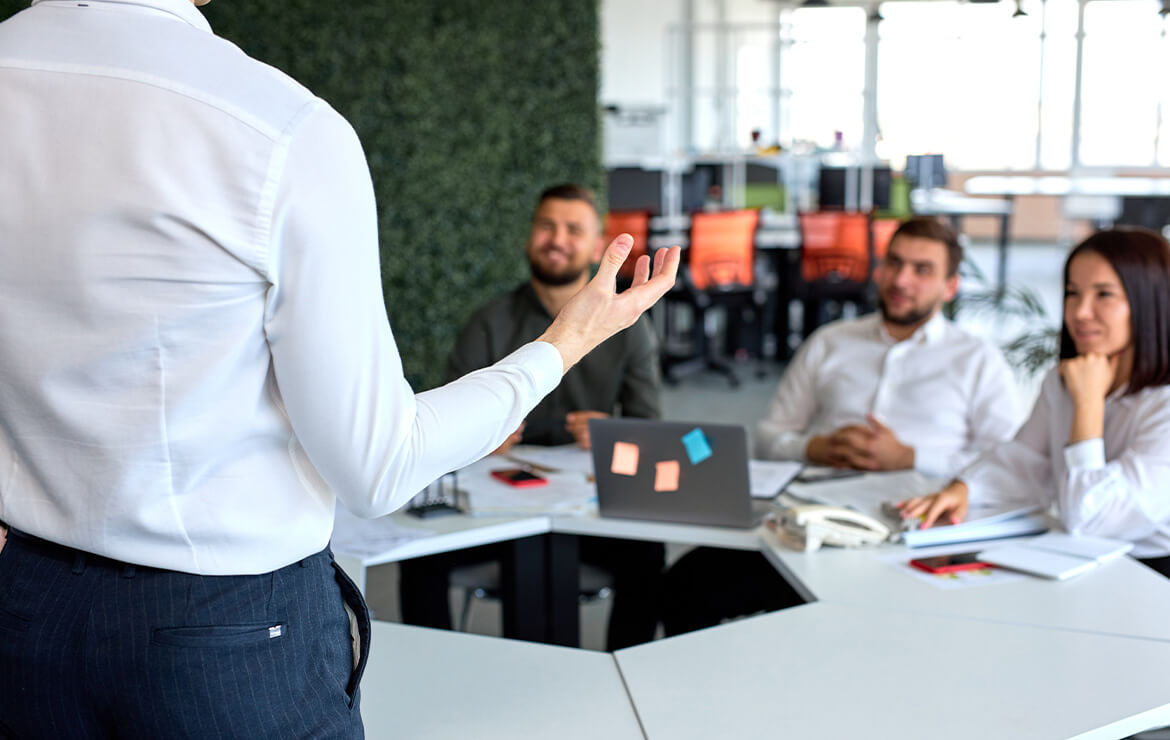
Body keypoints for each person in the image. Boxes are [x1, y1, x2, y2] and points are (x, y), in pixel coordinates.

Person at [0, 2, 680, 737]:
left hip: (23, 606)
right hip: (220, 635)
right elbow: (379, 466)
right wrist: (567, 342)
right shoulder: (277, 129)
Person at [661, 216, 1020, 637]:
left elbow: (1006, 465)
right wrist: (814, 448)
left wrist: (910, 457)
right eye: (894, 263)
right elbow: (769, 437)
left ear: (950, 286)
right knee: (682, 586)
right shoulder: (830, 342)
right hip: (813, 528)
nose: (901, 280)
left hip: (912, 541)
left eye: (922, 270)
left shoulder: (978, 360)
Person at [399, 184, 666, 650]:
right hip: (494, 499)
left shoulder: (629, 327)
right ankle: (436, 672)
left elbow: (652, 433)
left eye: (573, 229)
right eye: (547, 226)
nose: (557, 239)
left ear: (597, 246)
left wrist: (611, 434)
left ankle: (626, 673)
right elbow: (446, 419)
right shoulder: (489, 320)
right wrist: (479, 434)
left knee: (647, 552)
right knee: (420, 553)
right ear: (529, 236)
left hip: (587, 504)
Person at [901, 228, 1170, 580]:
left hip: (1152, 576)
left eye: (1104, 294)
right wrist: (964, 489)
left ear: (1149, 302)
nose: (1080, 312)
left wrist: (1088, 405)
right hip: (1077, 561)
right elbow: (1024, 463)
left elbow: (1092, 520)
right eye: (1072, 293)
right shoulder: (1064, 380)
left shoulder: (1158, 401)